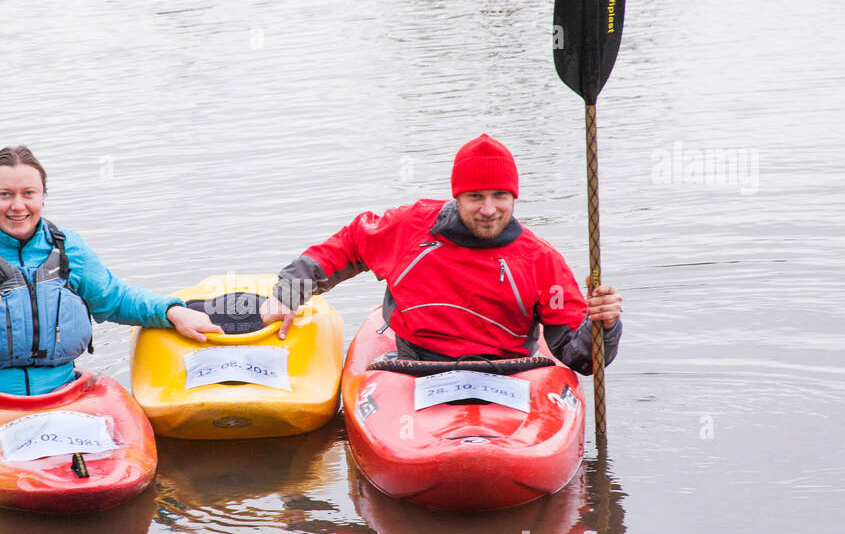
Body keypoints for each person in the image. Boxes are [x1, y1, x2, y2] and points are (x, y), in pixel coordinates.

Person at [0, 145, 220, 396]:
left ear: (43, 197)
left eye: (28, 193)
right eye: (5, 195)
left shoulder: (68, 249)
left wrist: (171, 311)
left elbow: (115, 299)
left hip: (61, 391)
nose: (18, 206)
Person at [258, 134, 622, 373]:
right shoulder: (411, 227)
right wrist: (289, 293)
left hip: (508, 370)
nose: (489, 209)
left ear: (514, 197)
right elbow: (348, 245)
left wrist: (603, 326)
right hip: (415, 365)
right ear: (457, 196)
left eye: (500, 196)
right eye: (475, 197)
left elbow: (579, 358)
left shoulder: (541, 260)